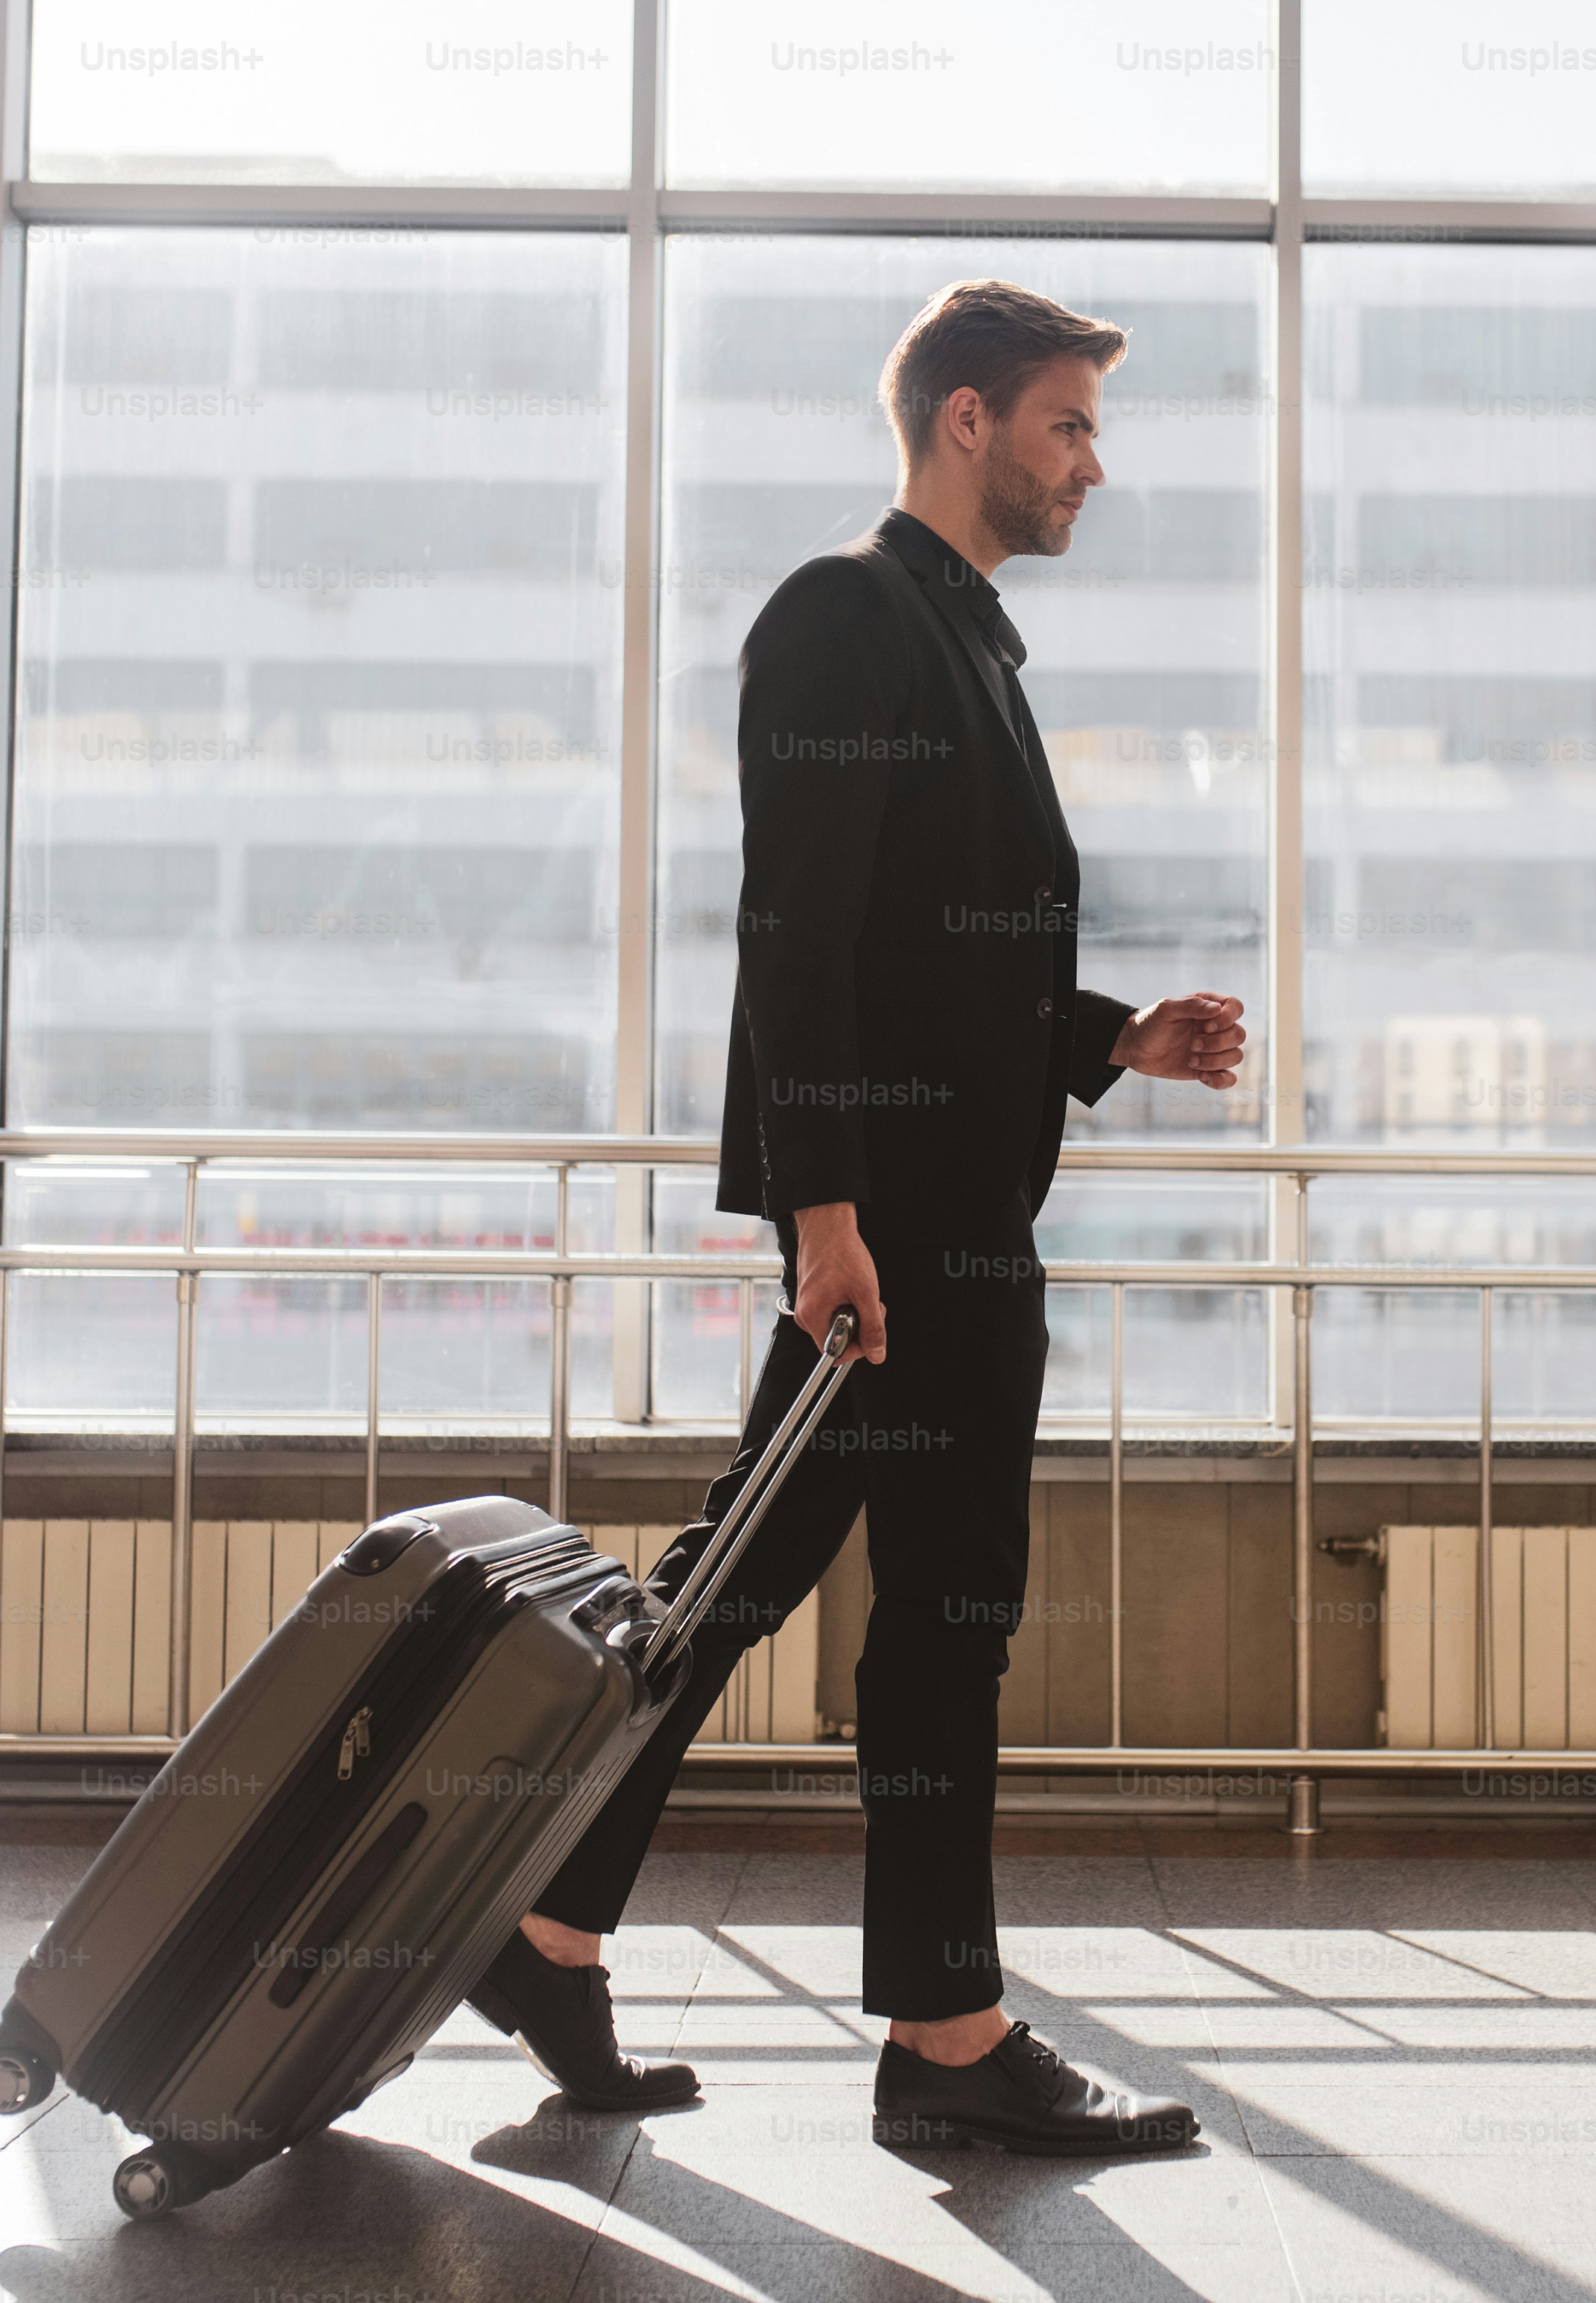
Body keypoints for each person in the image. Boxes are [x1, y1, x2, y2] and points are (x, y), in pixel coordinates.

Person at [466, 279, 1244, 2153]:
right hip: (900, 1245)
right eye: (1066, 425)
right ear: (962, 421)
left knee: (725, 1592)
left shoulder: (966, 646)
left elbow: (924, 961)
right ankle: (947, 2040)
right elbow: (797, 937)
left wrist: (1109, 1038)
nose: (1092, 465)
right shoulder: (848, 615)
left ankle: (554, 1934)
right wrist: (824, 1214)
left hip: (935, 1217)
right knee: (940, 1617)